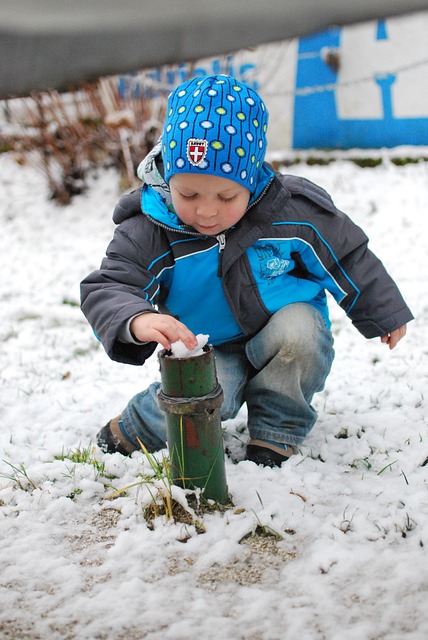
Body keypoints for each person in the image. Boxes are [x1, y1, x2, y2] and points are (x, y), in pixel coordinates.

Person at [80, 74, 413, 467]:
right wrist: (136, 319)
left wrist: (381, 311)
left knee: (300, 335)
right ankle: (138, 427)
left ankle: (276, 431)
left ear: (251, 179)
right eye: (189, 194)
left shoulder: (288, 211)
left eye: (226, 196)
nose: (206, 211)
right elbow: (111, 284)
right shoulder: (150, 229)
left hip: (280, 325)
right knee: (202, 401)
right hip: (205, 344)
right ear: (168, 176)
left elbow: (346, 253)